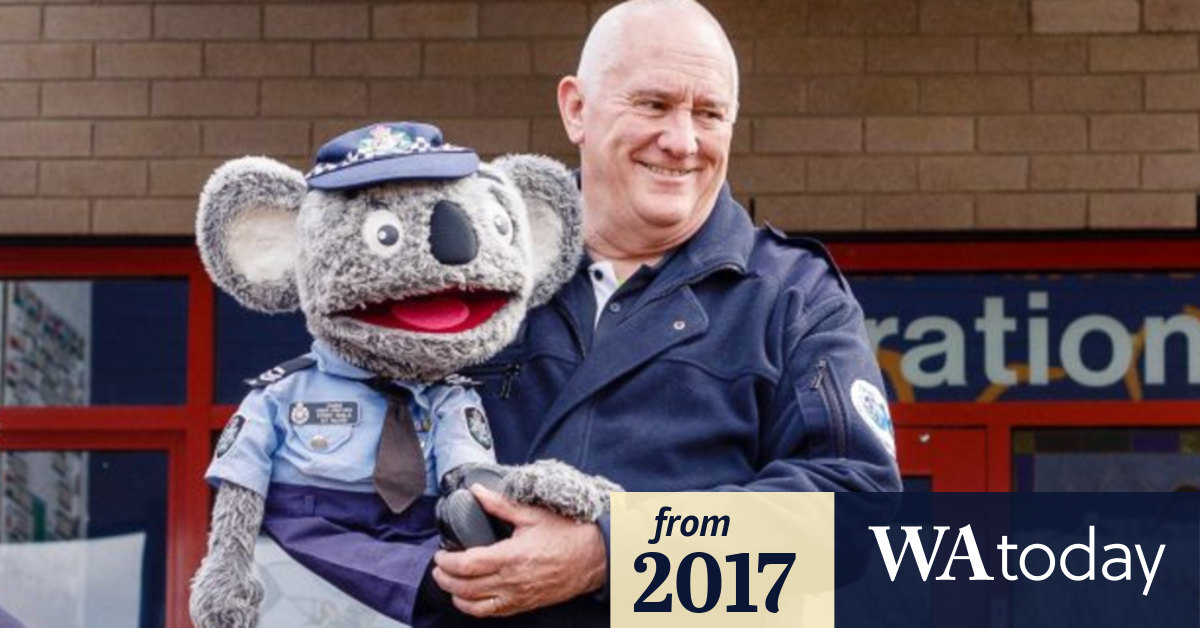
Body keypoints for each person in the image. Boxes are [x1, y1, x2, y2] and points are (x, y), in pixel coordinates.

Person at [429, 0, 901, 624]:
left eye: (709, 114)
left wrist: (613, 552)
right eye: (653, 105)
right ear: (577, 109)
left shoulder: (793, 298)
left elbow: (856, 514)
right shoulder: (474, 273)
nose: (682, 142)